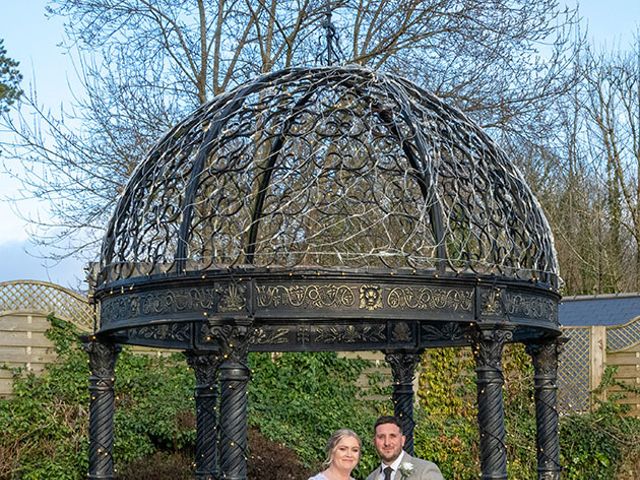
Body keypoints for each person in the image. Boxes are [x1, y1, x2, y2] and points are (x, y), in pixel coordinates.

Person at [366, 416, 444, 480]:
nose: (387, 443)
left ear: (403, 440)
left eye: (392, 436)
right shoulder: (370, 478)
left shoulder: (425, 471)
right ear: (374, 442)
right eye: (381, 437)